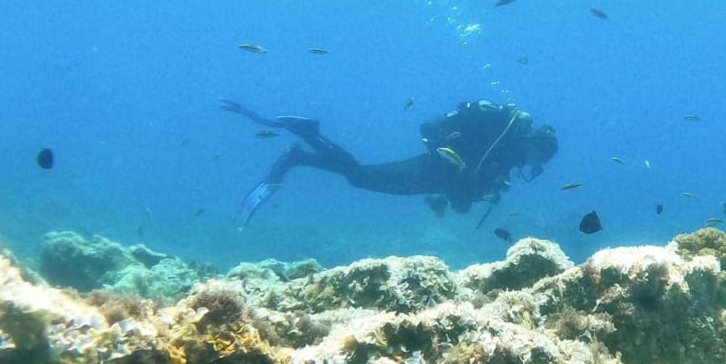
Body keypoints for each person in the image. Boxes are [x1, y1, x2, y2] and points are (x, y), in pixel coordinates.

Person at [223, 99, 559, 226]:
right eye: (539, 159)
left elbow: (469, 188)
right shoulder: (504, 140)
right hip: (432, 170)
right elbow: (468, 171)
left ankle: (299, 156)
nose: (535, 166)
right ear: (535, 145)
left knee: (359, 178)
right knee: (359, 176)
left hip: (435, 178)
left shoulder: (508, 155)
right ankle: (308, 135)